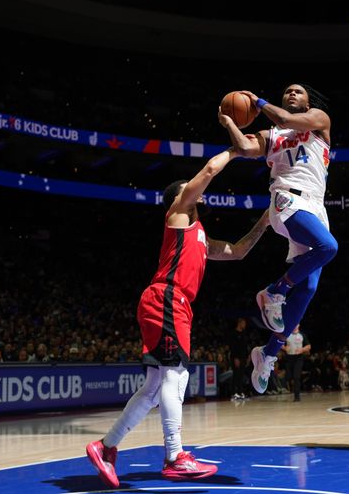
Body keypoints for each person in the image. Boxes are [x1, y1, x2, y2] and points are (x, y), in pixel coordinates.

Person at [86, 138, 271, 488]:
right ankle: (175, 456)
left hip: (171, 303)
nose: (197, 190)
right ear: (178, 198)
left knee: (155, 386)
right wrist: (235, 149)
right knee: (175, 377)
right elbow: (210, 170)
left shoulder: (198, 234)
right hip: (167, 299)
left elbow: (239, 251)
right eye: (190, 188)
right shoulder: (178, 215)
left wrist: (266, 219)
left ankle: (105, 446)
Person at [223, 85, 337, 394]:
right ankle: (274, 291)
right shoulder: (273, 133)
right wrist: (230, 120)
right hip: (287, 198)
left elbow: (287, 118)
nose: (292, 93)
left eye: (298, 91)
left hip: (316, 206)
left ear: (308, 101)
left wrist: (259, 102)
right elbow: (246, 149)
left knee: (310, 287)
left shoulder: (318, 119)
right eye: (287, 91)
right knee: (329, 247)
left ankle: (268, 353)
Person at [283, 324, 311, 401]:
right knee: (288, 377)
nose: (295, 325)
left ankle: (297, 396)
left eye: (296, 324)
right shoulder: (287, 334)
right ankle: (288, 387)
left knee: (296, 377)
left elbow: (309, 346)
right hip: (289, 358)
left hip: (298, 358)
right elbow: (280, 343)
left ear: (299, 325)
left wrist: (302, 349)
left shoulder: (302, 335)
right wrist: (285, 348)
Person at [229, 317, 249, 400]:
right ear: (239, 323)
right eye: (243, 323)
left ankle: (240, 392)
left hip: (243, 357)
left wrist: (247, 357)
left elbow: (245, 347)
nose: (244, 325)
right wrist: (236, 358)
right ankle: (234, 393)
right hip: (236, 358)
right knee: (236, 375)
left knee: (241, 375)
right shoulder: (234, 333)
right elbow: (233, 347)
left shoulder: (244, 334)